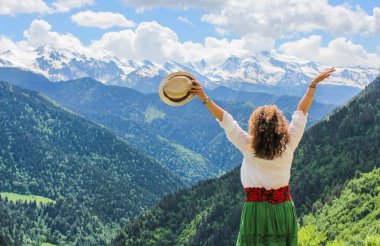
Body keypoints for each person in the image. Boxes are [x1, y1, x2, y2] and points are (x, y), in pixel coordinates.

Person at [189, 68, 336, 246]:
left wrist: (203, 96)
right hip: (283, 208)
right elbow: (301, 112)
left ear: (255, 127)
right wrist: (312, 86)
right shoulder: (288, 145)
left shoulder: (248, 146)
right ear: (280, 126)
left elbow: (226, 120)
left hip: (256, 211)